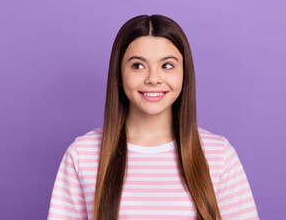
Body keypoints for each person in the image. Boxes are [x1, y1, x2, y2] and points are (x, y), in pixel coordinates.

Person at [47, 15, 259, 220]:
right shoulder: (82, 154)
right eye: (138, 66)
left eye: (167, 65)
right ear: (120, 76)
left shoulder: (219, 155)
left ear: (184, 74)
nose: (153, 79)